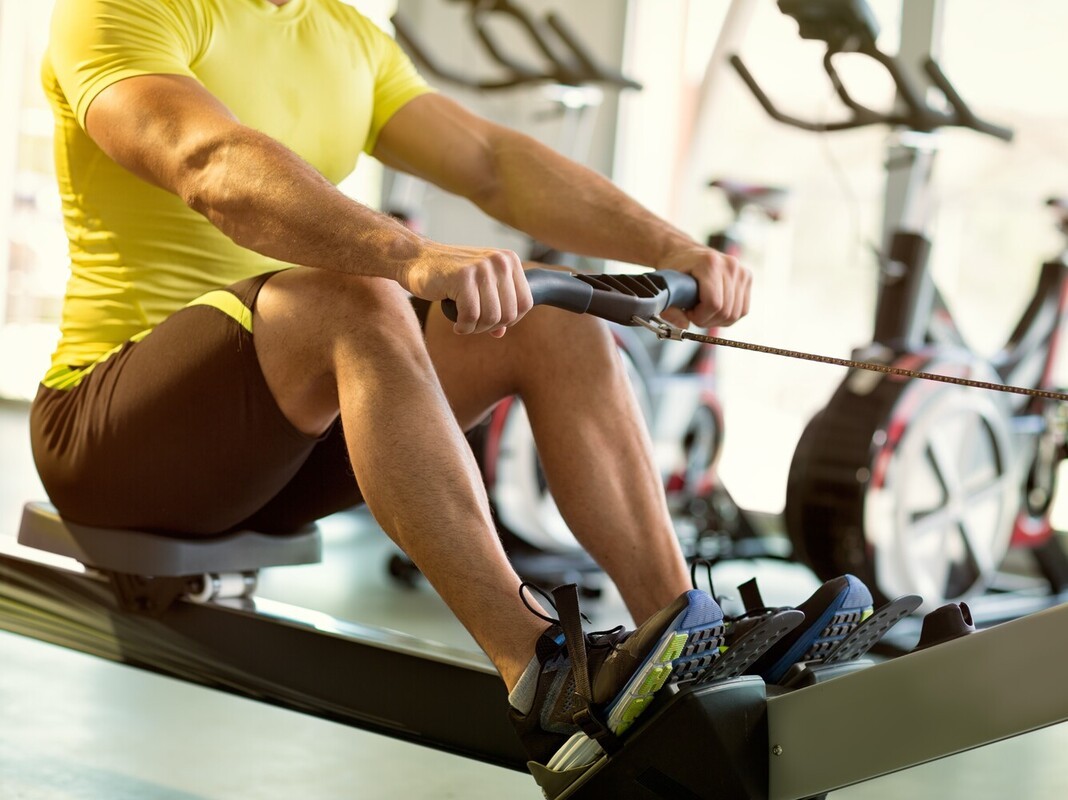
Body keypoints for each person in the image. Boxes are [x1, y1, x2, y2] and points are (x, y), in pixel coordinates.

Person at [29, 0, 870, 792]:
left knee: (554, 316)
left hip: (277, 451)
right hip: (115, 438)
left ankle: (686, 648)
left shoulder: (343, 35)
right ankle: (542, 680)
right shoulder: (125, 12)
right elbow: (207, 163)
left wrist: (672, 247)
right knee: (358, 293)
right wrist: (406, 255)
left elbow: (494, 165)